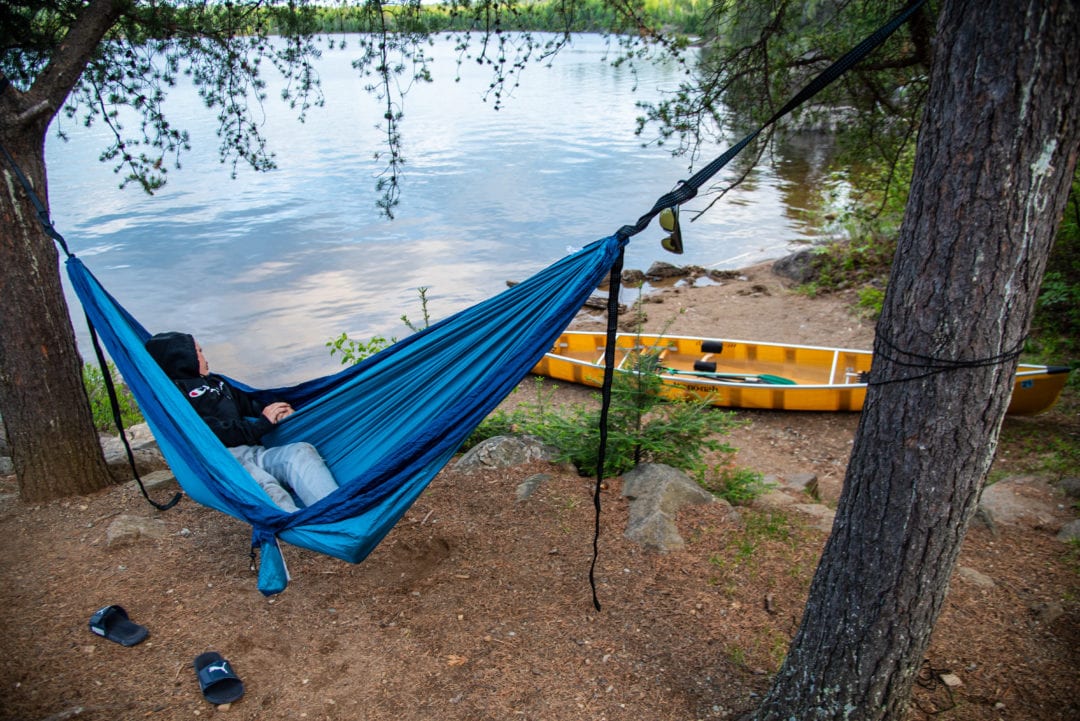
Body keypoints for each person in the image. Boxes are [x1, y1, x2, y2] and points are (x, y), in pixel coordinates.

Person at [145, 331, 338, 513]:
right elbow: (210, 433)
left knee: (301, 452)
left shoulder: (218, 383)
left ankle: (336, 513)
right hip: (226, 462)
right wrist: (262, 425)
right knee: (267, 486)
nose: (205, 357)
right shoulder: (175, 396)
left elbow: (253, 403)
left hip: (254, 453)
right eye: (199, 352)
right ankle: (302, 528)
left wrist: (279, 410)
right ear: (182, 358)